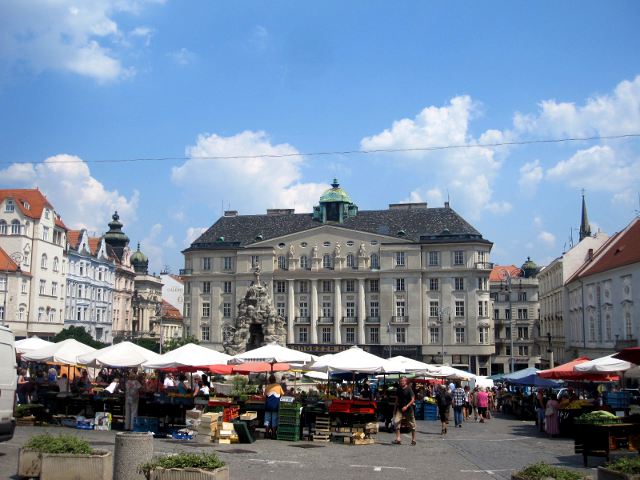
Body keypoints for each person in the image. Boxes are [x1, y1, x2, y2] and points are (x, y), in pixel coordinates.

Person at [392, 377, 416, 446]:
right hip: (400, 409)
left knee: (412, 425)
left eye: (402, 381)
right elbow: (396, 400)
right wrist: (394, 409)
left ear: (406, 382)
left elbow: (413, 399)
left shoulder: (409, 389)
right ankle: (398, 439)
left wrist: (406, 406)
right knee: (396, 422)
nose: (401, 382)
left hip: (408, 409)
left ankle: (413, 439)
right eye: (400, 381)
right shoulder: (398, 389)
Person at [264, 374, 284, 439]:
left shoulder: (267, 387)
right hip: (275, 406)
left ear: (269, 380)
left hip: (268, 406)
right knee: (274, 420)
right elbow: (282, 395)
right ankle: (273, 434)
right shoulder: (278, 386)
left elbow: (265, 396)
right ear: (275, 380)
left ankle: (267, 434)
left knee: (267, 420)